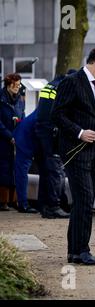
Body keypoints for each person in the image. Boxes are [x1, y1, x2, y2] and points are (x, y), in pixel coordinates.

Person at [52, 44, 95, 265]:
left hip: (93, 153)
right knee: (85, 200)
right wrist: (79, 132)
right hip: (75, 151)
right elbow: (57, 115)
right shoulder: (71, 82)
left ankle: (75, 251)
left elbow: (94, 117)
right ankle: (82, 251)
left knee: (83, 201)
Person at [35, 70, 75, 219]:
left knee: (46, 170)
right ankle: (54, 206)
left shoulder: (50, 85)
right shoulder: (62, 87)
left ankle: (44, 206)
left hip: (42, 131)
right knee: (56, 170)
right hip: (52, 132)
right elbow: (60, 113)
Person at [0, 73, 25, 211]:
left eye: (19, 85)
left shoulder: (20, 99)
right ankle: (3, 201)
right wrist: (9, 135)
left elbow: (23, 115)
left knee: (15, 168)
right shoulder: (1, 99)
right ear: (9, 86)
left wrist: (20, 133)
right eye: (16, 85)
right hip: (3, 139)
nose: (18, 87)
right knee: (3, 168)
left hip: (17, 138)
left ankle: (14, 200)